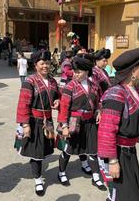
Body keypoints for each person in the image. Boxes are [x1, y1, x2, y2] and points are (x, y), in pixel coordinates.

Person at [97, 47, 139, 201]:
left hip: (130, 152)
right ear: (133, 71)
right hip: (118, 153)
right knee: (126, 195)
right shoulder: (116, 94)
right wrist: (112, 161)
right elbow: (106, 131)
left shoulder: (135, 91)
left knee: (126, 192)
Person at [57, 53, 107, 191]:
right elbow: (64, 108)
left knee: (92, 150)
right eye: (74, 72)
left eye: (79, 72)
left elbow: (100, 101)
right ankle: (61, 172)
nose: (75, 74)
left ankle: (96, 177)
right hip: (73, 121)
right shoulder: (70, 86)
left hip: (90, 123)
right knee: (67, 150)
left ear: (86, 71)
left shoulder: (94, 85)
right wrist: (64, 125)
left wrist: (99, 111)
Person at [15, 50, 60, 196]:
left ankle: (38, 173)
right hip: (34, 121)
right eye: (42, 63)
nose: (45, 66)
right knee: (36, 153)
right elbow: (23, 104)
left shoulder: (53, 81)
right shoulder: (30, 81)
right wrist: (25, 124)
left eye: (47, 63)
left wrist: (58, 101)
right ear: (36, 65)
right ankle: (38, 180)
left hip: (47, 121)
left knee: (44, 151)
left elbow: (58, 95)